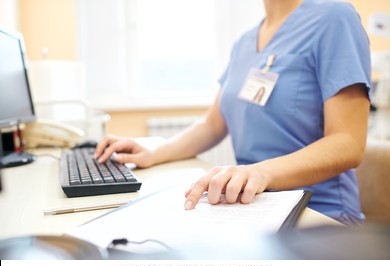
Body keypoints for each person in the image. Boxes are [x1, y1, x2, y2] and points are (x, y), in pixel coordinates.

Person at [94, 0, 371, 225]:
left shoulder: (334, 18)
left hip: (319, 215)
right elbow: (213, 124)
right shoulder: (245, 41)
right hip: (252, 207)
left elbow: (348, 143)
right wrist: (155, 151)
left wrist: (261, 173)